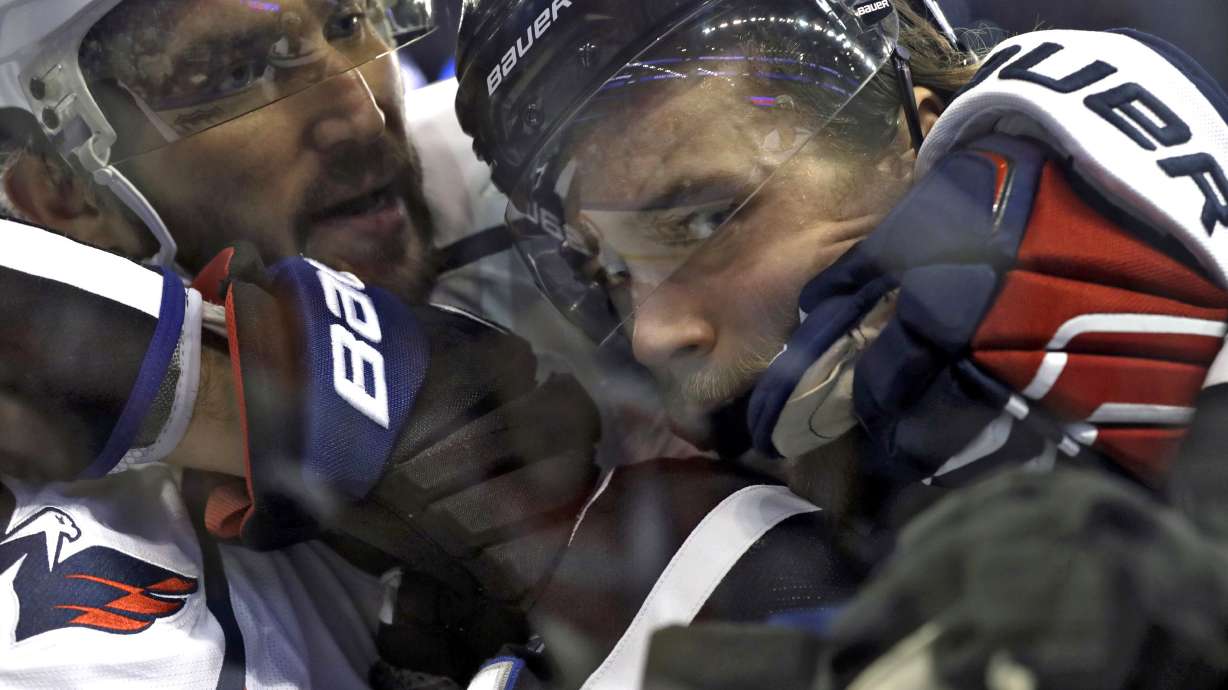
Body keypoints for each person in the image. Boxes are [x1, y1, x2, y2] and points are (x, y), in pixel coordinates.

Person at [451, 0, 1228, 687]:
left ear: (912, 128)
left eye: (705, 219)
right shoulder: (696, 562)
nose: (653, 333)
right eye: (610, 269)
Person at [0, 1, 603, 687]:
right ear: (66, 195)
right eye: (232, 71)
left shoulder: (520, 170)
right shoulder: (100, 615)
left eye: (348, 23)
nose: (362, 114)